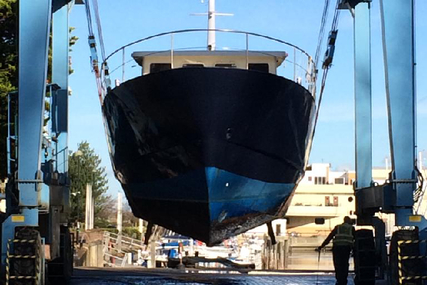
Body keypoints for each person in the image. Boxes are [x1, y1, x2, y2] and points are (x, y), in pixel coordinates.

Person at [317, 216, 355, 285]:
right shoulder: (351, 228)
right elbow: (355, 239)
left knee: (337, 264)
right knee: (344, 264)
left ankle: (339, 279)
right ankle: (343, 279)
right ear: (349, 221)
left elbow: (330, 237)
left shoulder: (338, 227)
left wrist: (322, 246)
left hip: (337, 248)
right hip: (346, 249)